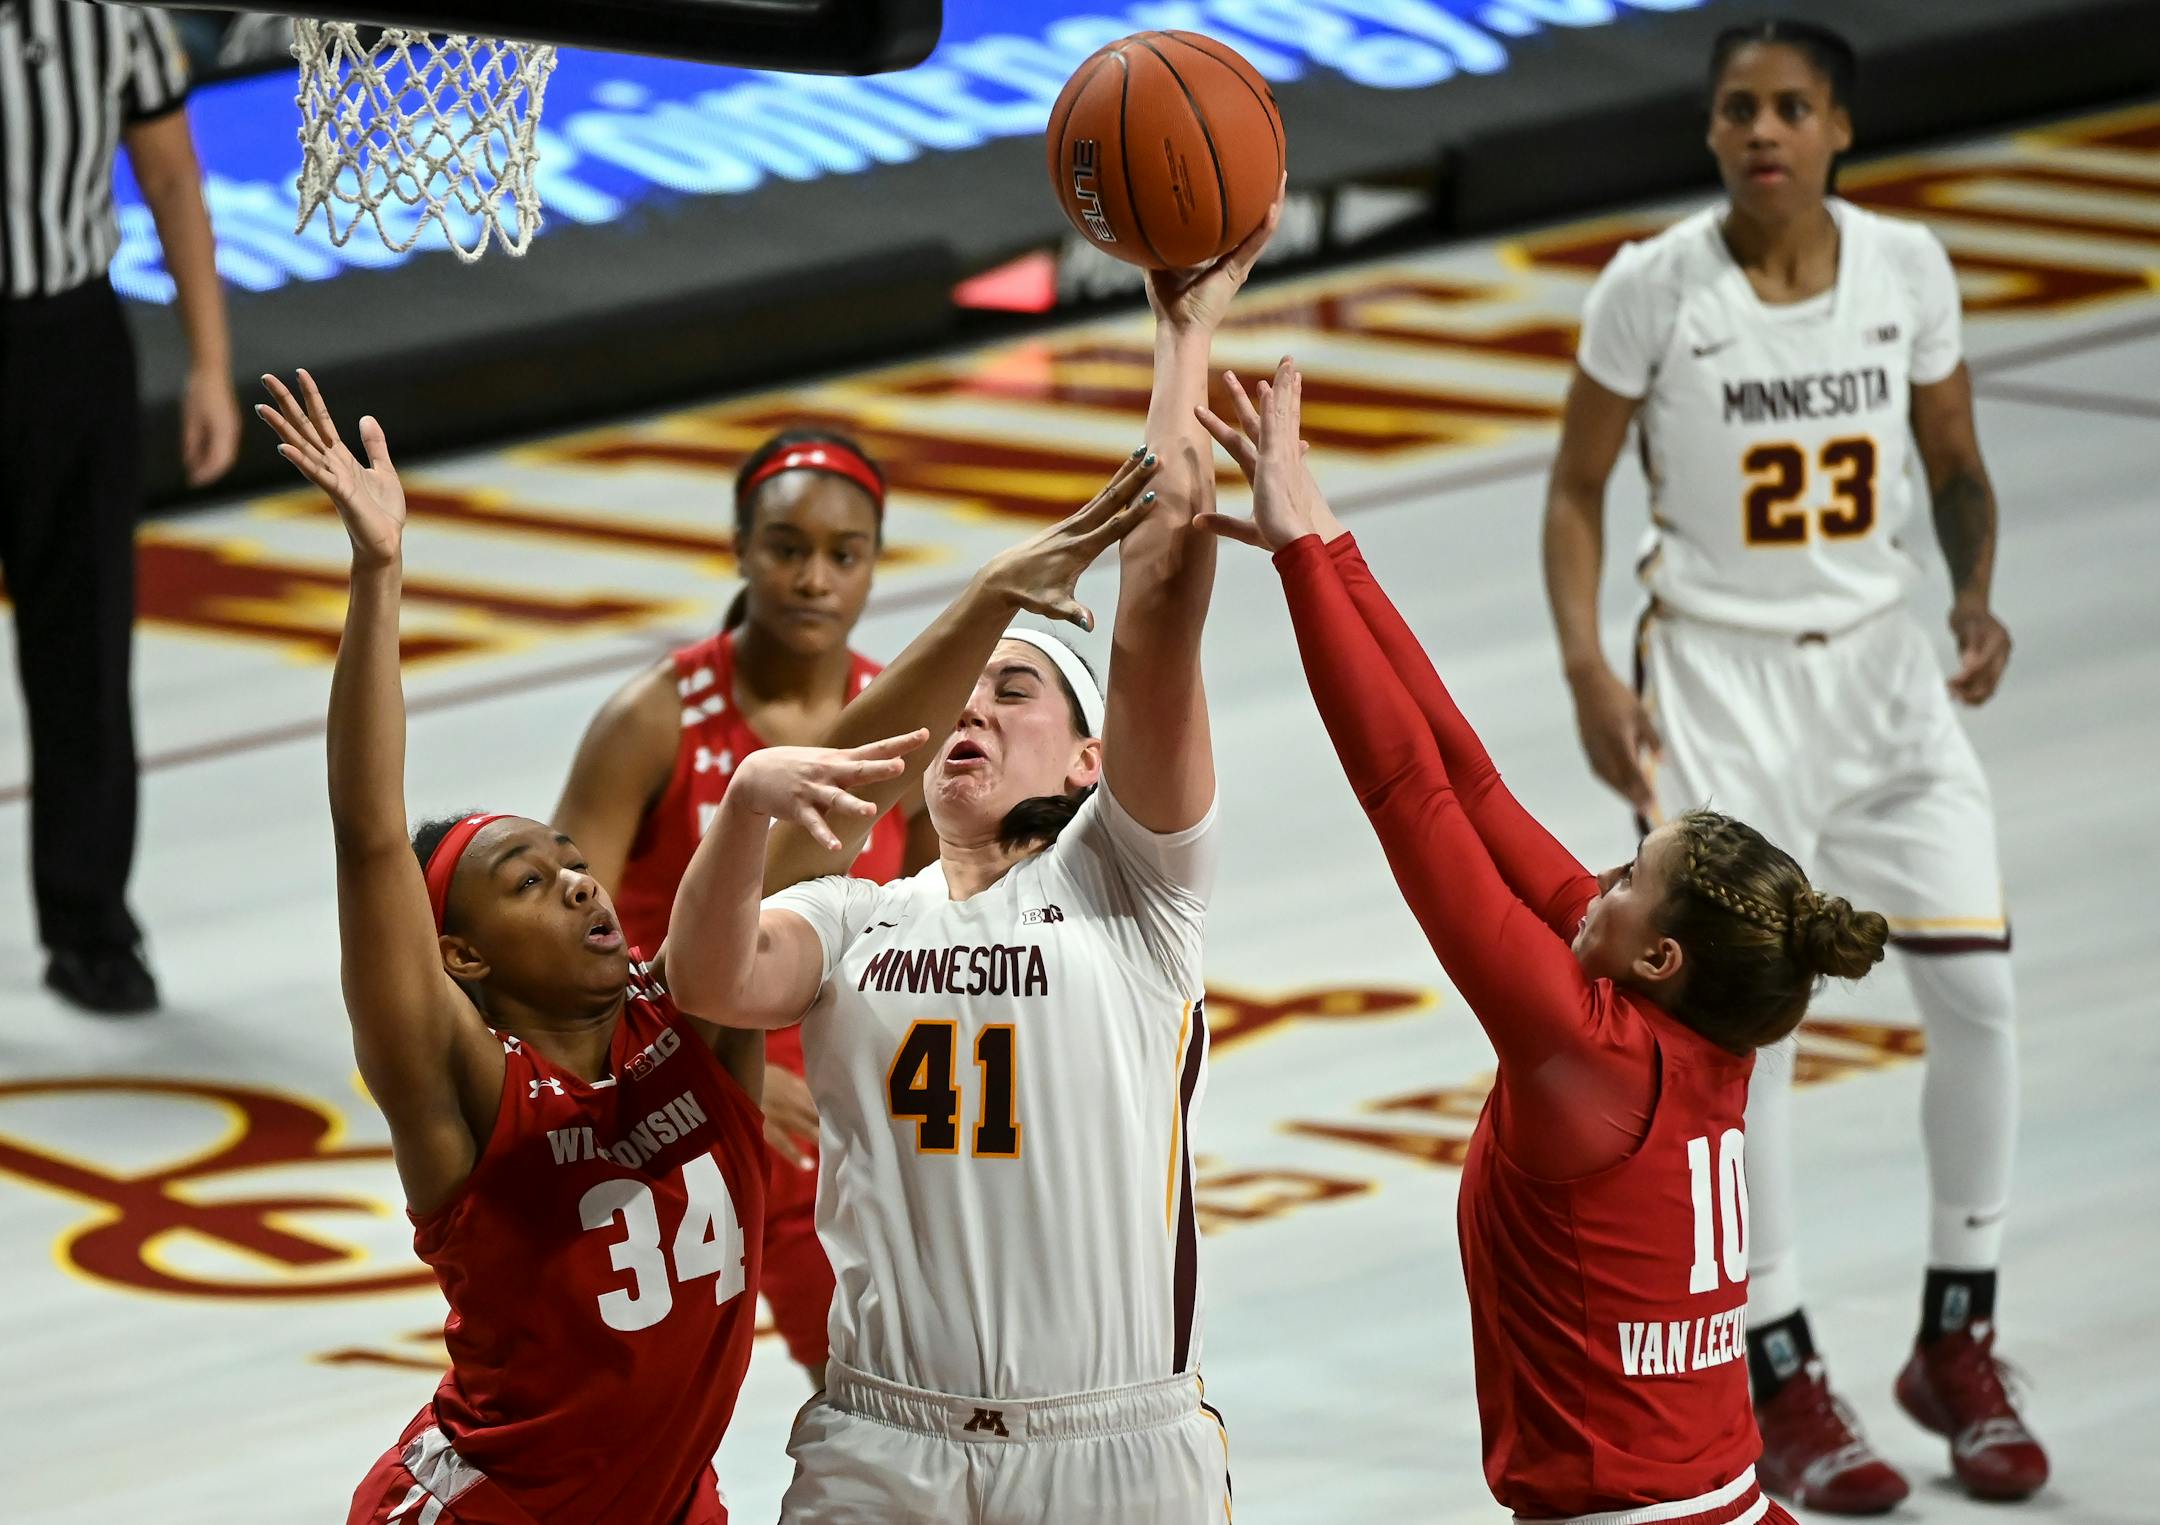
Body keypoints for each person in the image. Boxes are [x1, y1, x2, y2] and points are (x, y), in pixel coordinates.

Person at [662, 198, 1280, 1525]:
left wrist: (1183, 339)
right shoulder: (851, 915)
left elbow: (1162, 593)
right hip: (881, 1442)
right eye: (962, 696)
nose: (973, 712)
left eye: (1017, 691)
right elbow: (705, 979)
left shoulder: (1133, 892)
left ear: (1086, 763)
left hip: (1110, 1443)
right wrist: (742, 816)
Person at [1200, 355, 1886, 1525]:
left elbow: (1405, 793)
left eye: (1629, 876)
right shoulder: (1703, 1019)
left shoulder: (1580, 1048)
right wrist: (1318, 536)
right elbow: (1468, 776)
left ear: (1657, 954)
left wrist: (1304, 571)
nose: (1599, 879)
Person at [253, 368, 909, 1525]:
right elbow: (367, 839)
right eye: (527, 883)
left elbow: (840, 816)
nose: (575, 881)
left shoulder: (691, 1010)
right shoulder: (463, 1091)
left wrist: (1001, 589)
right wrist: (379, 572)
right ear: (461, 958)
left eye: (571, 861)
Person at [1538, 17, 2042, 1509]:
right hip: (1714, 675)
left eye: (1793, 108)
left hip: (1884, 671)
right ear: (1711, 134)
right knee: (1749, 1035)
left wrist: (1972, 590)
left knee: (1980, 990)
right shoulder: (1651, 289)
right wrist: (1582, 668)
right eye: (1740, 109)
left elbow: (1952, 460)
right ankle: (1777, 1363)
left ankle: (1959, 1333)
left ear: (1838, 129)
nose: (1764, 130)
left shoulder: (1909, 271)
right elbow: (1574, 491)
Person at [553, 427, 934, 1393]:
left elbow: (944, 933)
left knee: (888, 1384)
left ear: (874, 565)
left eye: (844, 555)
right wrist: (717, 1064)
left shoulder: (905, 724)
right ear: (740, 547)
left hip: (839, 1111)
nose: (814, 578)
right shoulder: (652, 718)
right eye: (787, 548)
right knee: (632, 1406)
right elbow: (553, 949)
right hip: (667, 1101)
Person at [1, 0, 241, 1014]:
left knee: (87, 645)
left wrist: (211, 366)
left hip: (70, 344)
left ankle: (91, 923)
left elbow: (171, 173)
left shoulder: (111, 13)